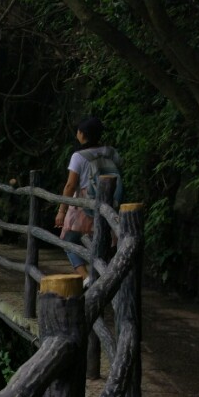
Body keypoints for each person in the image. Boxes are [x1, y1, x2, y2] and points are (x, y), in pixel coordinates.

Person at [54, 115, 121, 286]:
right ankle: (102, 276)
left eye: (79, 130)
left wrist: (61, 211)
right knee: (101, 241)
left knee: (69, 240)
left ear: (83, 134)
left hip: (85, 204)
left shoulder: (79, 156)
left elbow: (70, 185)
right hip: (109, 202)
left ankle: (86, 277)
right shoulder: (112, 152)